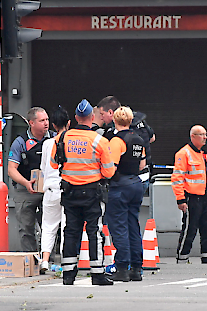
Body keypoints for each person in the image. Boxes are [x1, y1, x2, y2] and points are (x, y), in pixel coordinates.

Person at [50, 99, 116, 285]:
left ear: (76, 118)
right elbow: (109, 171)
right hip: (92, 193)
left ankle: (68, 274)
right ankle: (97, 274)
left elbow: (54, 163)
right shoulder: (99, 141)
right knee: (94, 232)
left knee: (71, 231)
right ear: (92, 117)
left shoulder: (62, 138)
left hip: (69, 192)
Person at [104, 106, 146, 282]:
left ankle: (122, 267)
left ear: (115, 120)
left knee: (119, 227)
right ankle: (136, 268)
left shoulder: (116, 141)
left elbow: (111, 169)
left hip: (120, 186)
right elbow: (142, 165)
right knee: (132, 225)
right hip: (136, 184)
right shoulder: (138, 139)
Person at [172, 125, 207, 264]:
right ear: (193, 136)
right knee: (190, 229)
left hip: (205, 197)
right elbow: (177, 178)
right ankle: (182, 257)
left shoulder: (203, 155)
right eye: (201, 135)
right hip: (191, 197)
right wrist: (180, 199)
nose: (205, 137)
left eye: (205, 134)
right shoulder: (183, 154)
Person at [8, 107, 51, 251]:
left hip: (48, 189)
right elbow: (11, 169)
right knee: (26, 227)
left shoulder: (53, 139)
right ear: (31, 123)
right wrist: (26, 183)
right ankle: (30, 259)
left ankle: (47, 260)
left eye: (47, 120)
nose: (46, 123)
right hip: (25, 189)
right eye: (42, 120)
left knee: (49, 227)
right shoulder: (20, 142)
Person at [97, 96, 156, 191]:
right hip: (142, 177)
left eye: (102, 114)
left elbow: (111, 164)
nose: (101, 118)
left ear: (111, 113)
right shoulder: (141, 123)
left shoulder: (114, 134)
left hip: (123, 180)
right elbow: (152, 138)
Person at [39, 106, 71, 273]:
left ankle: (44, 260)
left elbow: (43, 168)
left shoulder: (46, 144)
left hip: (50, 188)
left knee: (48, 226)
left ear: (53, 125)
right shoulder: (71, 142)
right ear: (69, 123)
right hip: (67, 188)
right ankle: (66, 260)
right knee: (67, 226)